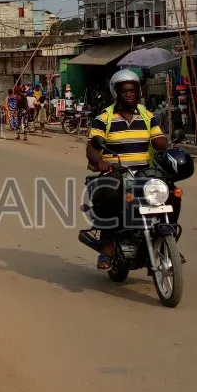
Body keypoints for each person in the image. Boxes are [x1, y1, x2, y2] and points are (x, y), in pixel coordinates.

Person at [85, 69, 168, 270]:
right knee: (111, 195)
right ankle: (107, 244)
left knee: (171, 192)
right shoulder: (104, 117)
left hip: (144, 173)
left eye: (133, 90)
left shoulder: (148, 116)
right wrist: (101, 163)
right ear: (117, 93)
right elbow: (91, 148)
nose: (129, 94)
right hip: (116, 173)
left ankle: (166, 237)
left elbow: (159, 141)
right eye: (125, 91)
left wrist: (166, 144)